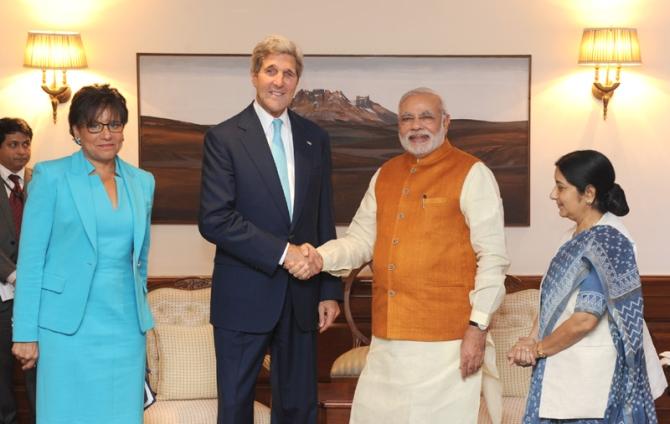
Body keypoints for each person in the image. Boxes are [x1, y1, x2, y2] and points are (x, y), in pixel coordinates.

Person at [290, 87, 510, 423]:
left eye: (426, 117)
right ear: (398, 127)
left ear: (445, 122)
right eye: (407, 118)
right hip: (389, 338)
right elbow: (360, 240)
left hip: (447, 342)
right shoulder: (385, 174)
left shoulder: (472, 173)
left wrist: (477, 329)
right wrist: (319, 257)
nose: (416, 125)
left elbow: (493, 258)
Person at [198, 35, 342, 424]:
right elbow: (215, 218)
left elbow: (322, 218)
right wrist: (285, 252)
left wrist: (329, 289)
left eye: (289, 73)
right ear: (254, 75)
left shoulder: (316, 138)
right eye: (271, 71)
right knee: (235, 407)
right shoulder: (224, 138)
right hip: (243, 296)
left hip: (302, 298)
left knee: (298, 406)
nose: (279, 81)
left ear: (297, 82)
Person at [11, 84, 155, 424]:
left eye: (114, 124)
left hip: (125, 327)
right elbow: (31, 262)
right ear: (77, 130)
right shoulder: (52, 176)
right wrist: (25, 333)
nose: (106, 134)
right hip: (66, 329)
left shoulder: (142, 181)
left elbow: (141, 260)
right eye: (95, 125)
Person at [507, 150, 658, 423]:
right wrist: (531, 339)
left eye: (561, 187)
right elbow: (553, 300)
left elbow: (585, 319)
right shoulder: (574, 236)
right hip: (560, 362)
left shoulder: (609, 242)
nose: (554, 195)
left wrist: (538, 349)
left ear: (588, 194)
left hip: (592, 378)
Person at [0, 118, 36, 424]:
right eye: (13, 145)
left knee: (37, 377)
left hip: (36, 299)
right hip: (2, 295)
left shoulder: (37, 183)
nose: (22, 151)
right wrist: (14, 275)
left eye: (25, 144)